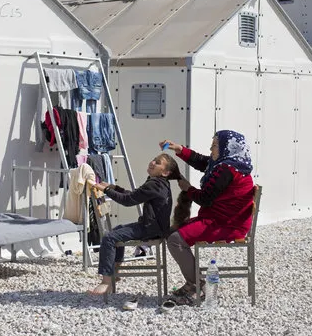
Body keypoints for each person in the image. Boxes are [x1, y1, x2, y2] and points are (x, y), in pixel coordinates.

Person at [160, 130, 254, 305]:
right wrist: (180, 149)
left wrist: (188, 188)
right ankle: (194, 282)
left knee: (174, 239)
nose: (211, 147)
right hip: (220, 219)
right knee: (174, 233)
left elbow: (205, 198)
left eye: (215, 144)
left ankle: (196, 285)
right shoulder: (230, 164)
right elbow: (204, 162)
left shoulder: (227, 170)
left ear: (228, 147)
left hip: (226, 224)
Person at [87, 153, 182, 295]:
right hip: (156, 228)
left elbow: (128, 200)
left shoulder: (155, 184)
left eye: (158, 162)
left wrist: (107, 190)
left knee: (109, 237)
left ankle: (105, 282)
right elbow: (135, 194)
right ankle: (115, 273)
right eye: (154, 159)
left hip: (150, 229)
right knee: (117, 231)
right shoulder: (159, 183)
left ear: (165, 172)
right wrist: (114, 187)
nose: (152, 162)